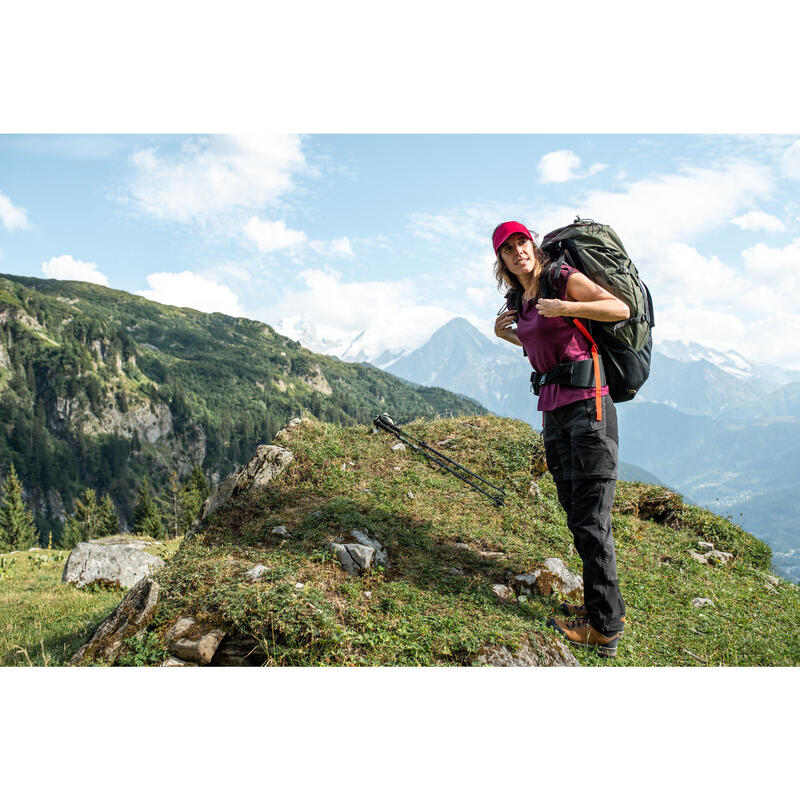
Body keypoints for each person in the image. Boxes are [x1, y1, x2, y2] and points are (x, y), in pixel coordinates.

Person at [492, 220, 629, 658]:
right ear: (502, 261)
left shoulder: (560, 280)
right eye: (508, 249)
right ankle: (603, 608)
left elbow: (619, 308)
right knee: (576, 513)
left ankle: (604, 629)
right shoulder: (521, 299)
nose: (518, 252)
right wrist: (508, 335)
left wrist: (568, 309)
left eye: (521, 243)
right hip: (553, 411)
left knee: (591, 520)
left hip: (589, 406)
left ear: (533, 245)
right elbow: (541, 348)